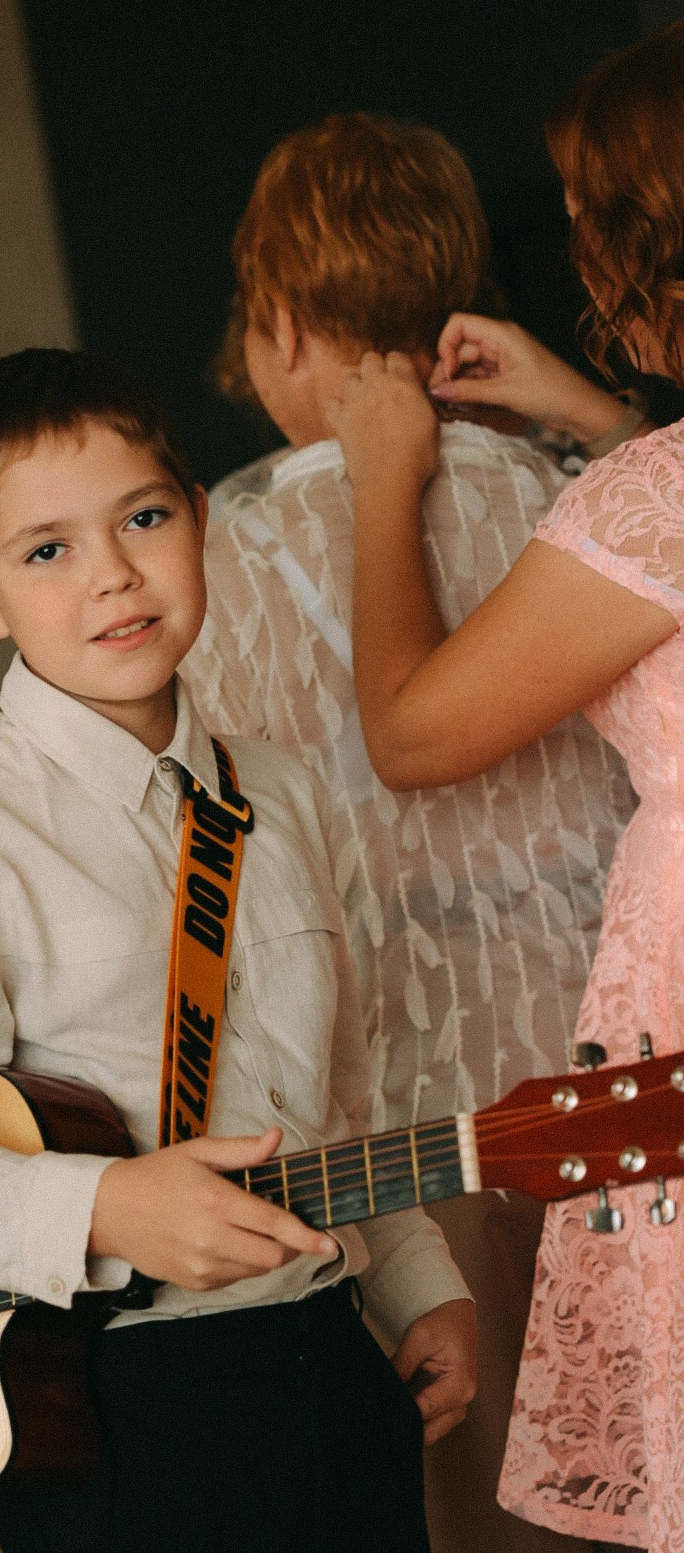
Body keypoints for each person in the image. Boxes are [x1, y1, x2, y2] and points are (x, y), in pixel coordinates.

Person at [0, 347, 476, 1553]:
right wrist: (104, 1204)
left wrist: (421, 1288)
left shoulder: (279, 788)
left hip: (331, 1363)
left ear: (199, 519)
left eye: (145, 518)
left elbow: (345, 1094)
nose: (113, 576)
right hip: (115, 1412)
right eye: (46, 549)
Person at [181, 113, 634, 1553]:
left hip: (401, 1131)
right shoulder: (580, 492)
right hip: (611, 1062)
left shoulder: (219, 553)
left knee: (479, 1494)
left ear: (286, 323)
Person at [324, 23, 684, 1553]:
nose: (576, 249)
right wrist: (590, 421)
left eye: (585, 209)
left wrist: (381, 483)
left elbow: (408, 734)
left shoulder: (654, 498)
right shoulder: (646, 480)